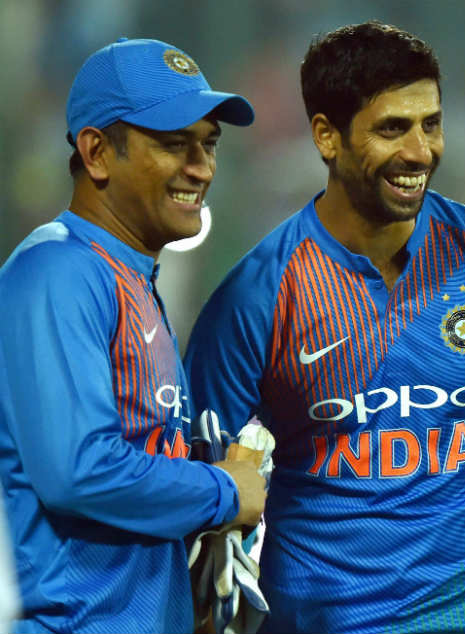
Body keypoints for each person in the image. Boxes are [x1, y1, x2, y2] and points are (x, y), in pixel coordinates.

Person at [184, 21, 465, 634]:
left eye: (431, 124)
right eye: (392, 128)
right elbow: (199, 498)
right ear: (326, 136)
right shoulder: (256, 296)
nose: (421, 151)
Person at [0, 38, 267, 633]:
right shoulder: (58, 271)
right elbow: (80, 469)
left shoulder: (128, 275)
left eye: (209, 143)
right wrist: (225, 491)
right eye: (174, 144)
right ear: (96, 152)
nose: (202, 167)